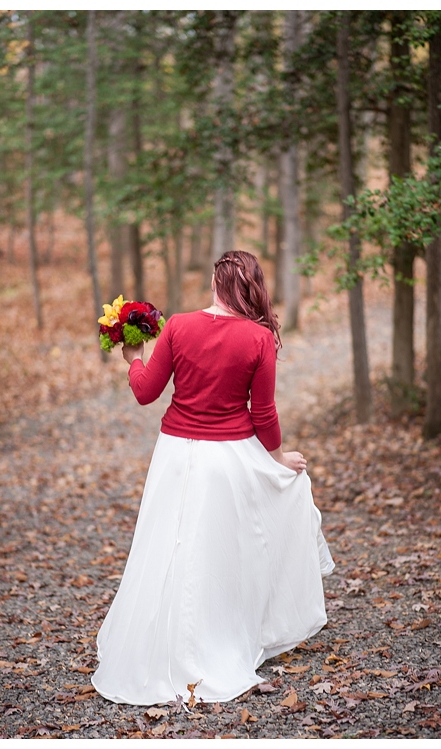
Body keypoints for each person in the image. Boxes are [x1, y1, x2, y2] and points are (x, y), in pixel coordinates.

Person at [92, 250, 334, 706]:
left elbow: (146, 393)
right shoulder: (259, 339)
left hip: (175, 457)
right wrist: (278, 459)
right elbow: (263, 412)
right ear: (252, 286)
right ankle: (223, 638)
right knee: (223, 553)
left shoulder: (179, 326)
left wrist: (133, 359)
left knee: (168, 545)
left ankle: (159, 645)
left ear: (214, 283)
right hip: (230, 459)